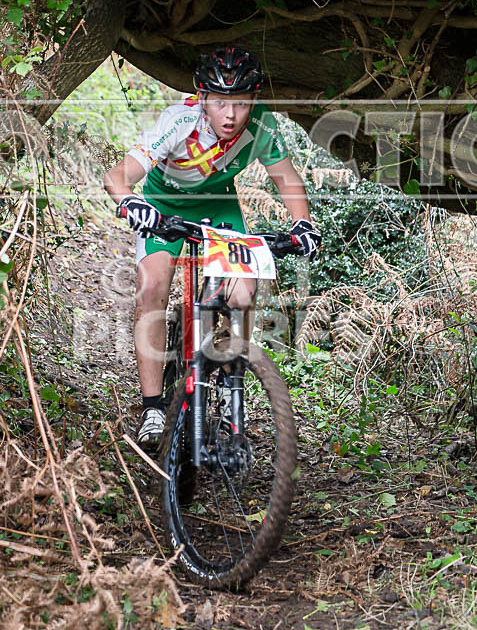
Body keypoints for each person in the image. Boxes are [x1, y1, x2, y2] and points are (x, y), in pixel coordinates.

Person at [104, 47, 320, 450]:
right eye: (220, 102)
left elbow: (287, 180)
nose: (230, 114)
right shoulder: (179, 120)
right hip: (163, 206)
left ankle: (226, 374)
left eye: (241, 103)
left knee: (242, 294)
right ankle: (152, 408)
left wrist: (303, 223)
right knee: (152, 288)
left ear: (254, 100)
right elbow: (118, 175)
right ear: (202, 97)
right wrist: (130, 201)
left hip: (219, 207)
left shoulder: (262, 124)